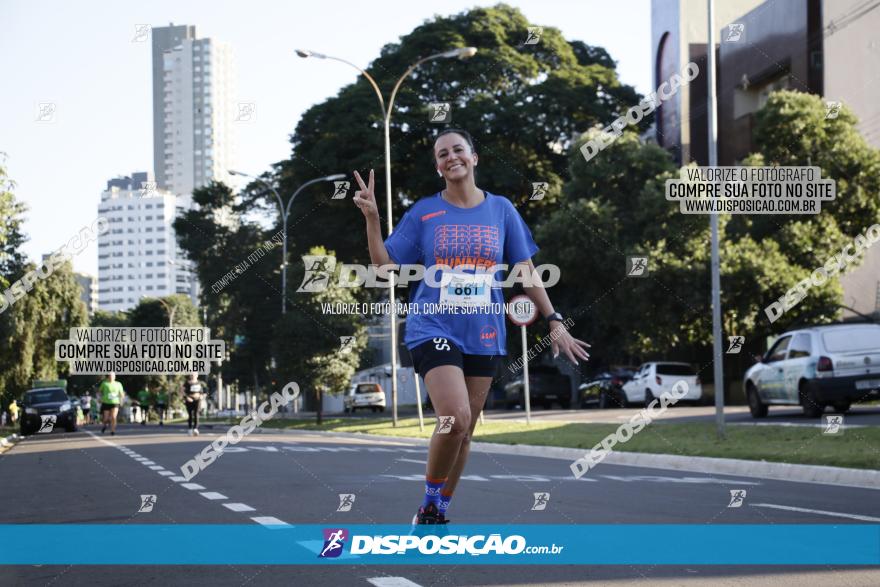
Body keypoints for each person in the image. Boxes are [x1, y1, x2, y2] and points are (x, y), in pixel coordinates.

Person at [353, 129, 590, 525]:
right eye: (442, 154)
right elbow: (385, 269)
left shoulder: (501, 210)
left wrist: (554, 320)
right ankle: (429, 499)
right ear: (438, 166)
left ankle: (437, 510)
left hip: (484, 331)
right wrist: (373, 219)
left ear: (474, 157)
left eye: (458, 150)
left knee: (466, 431)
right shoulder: (425, 212)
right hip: (432, 326)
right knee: (455, 417)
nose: (451, 157)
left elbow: (526, 270)